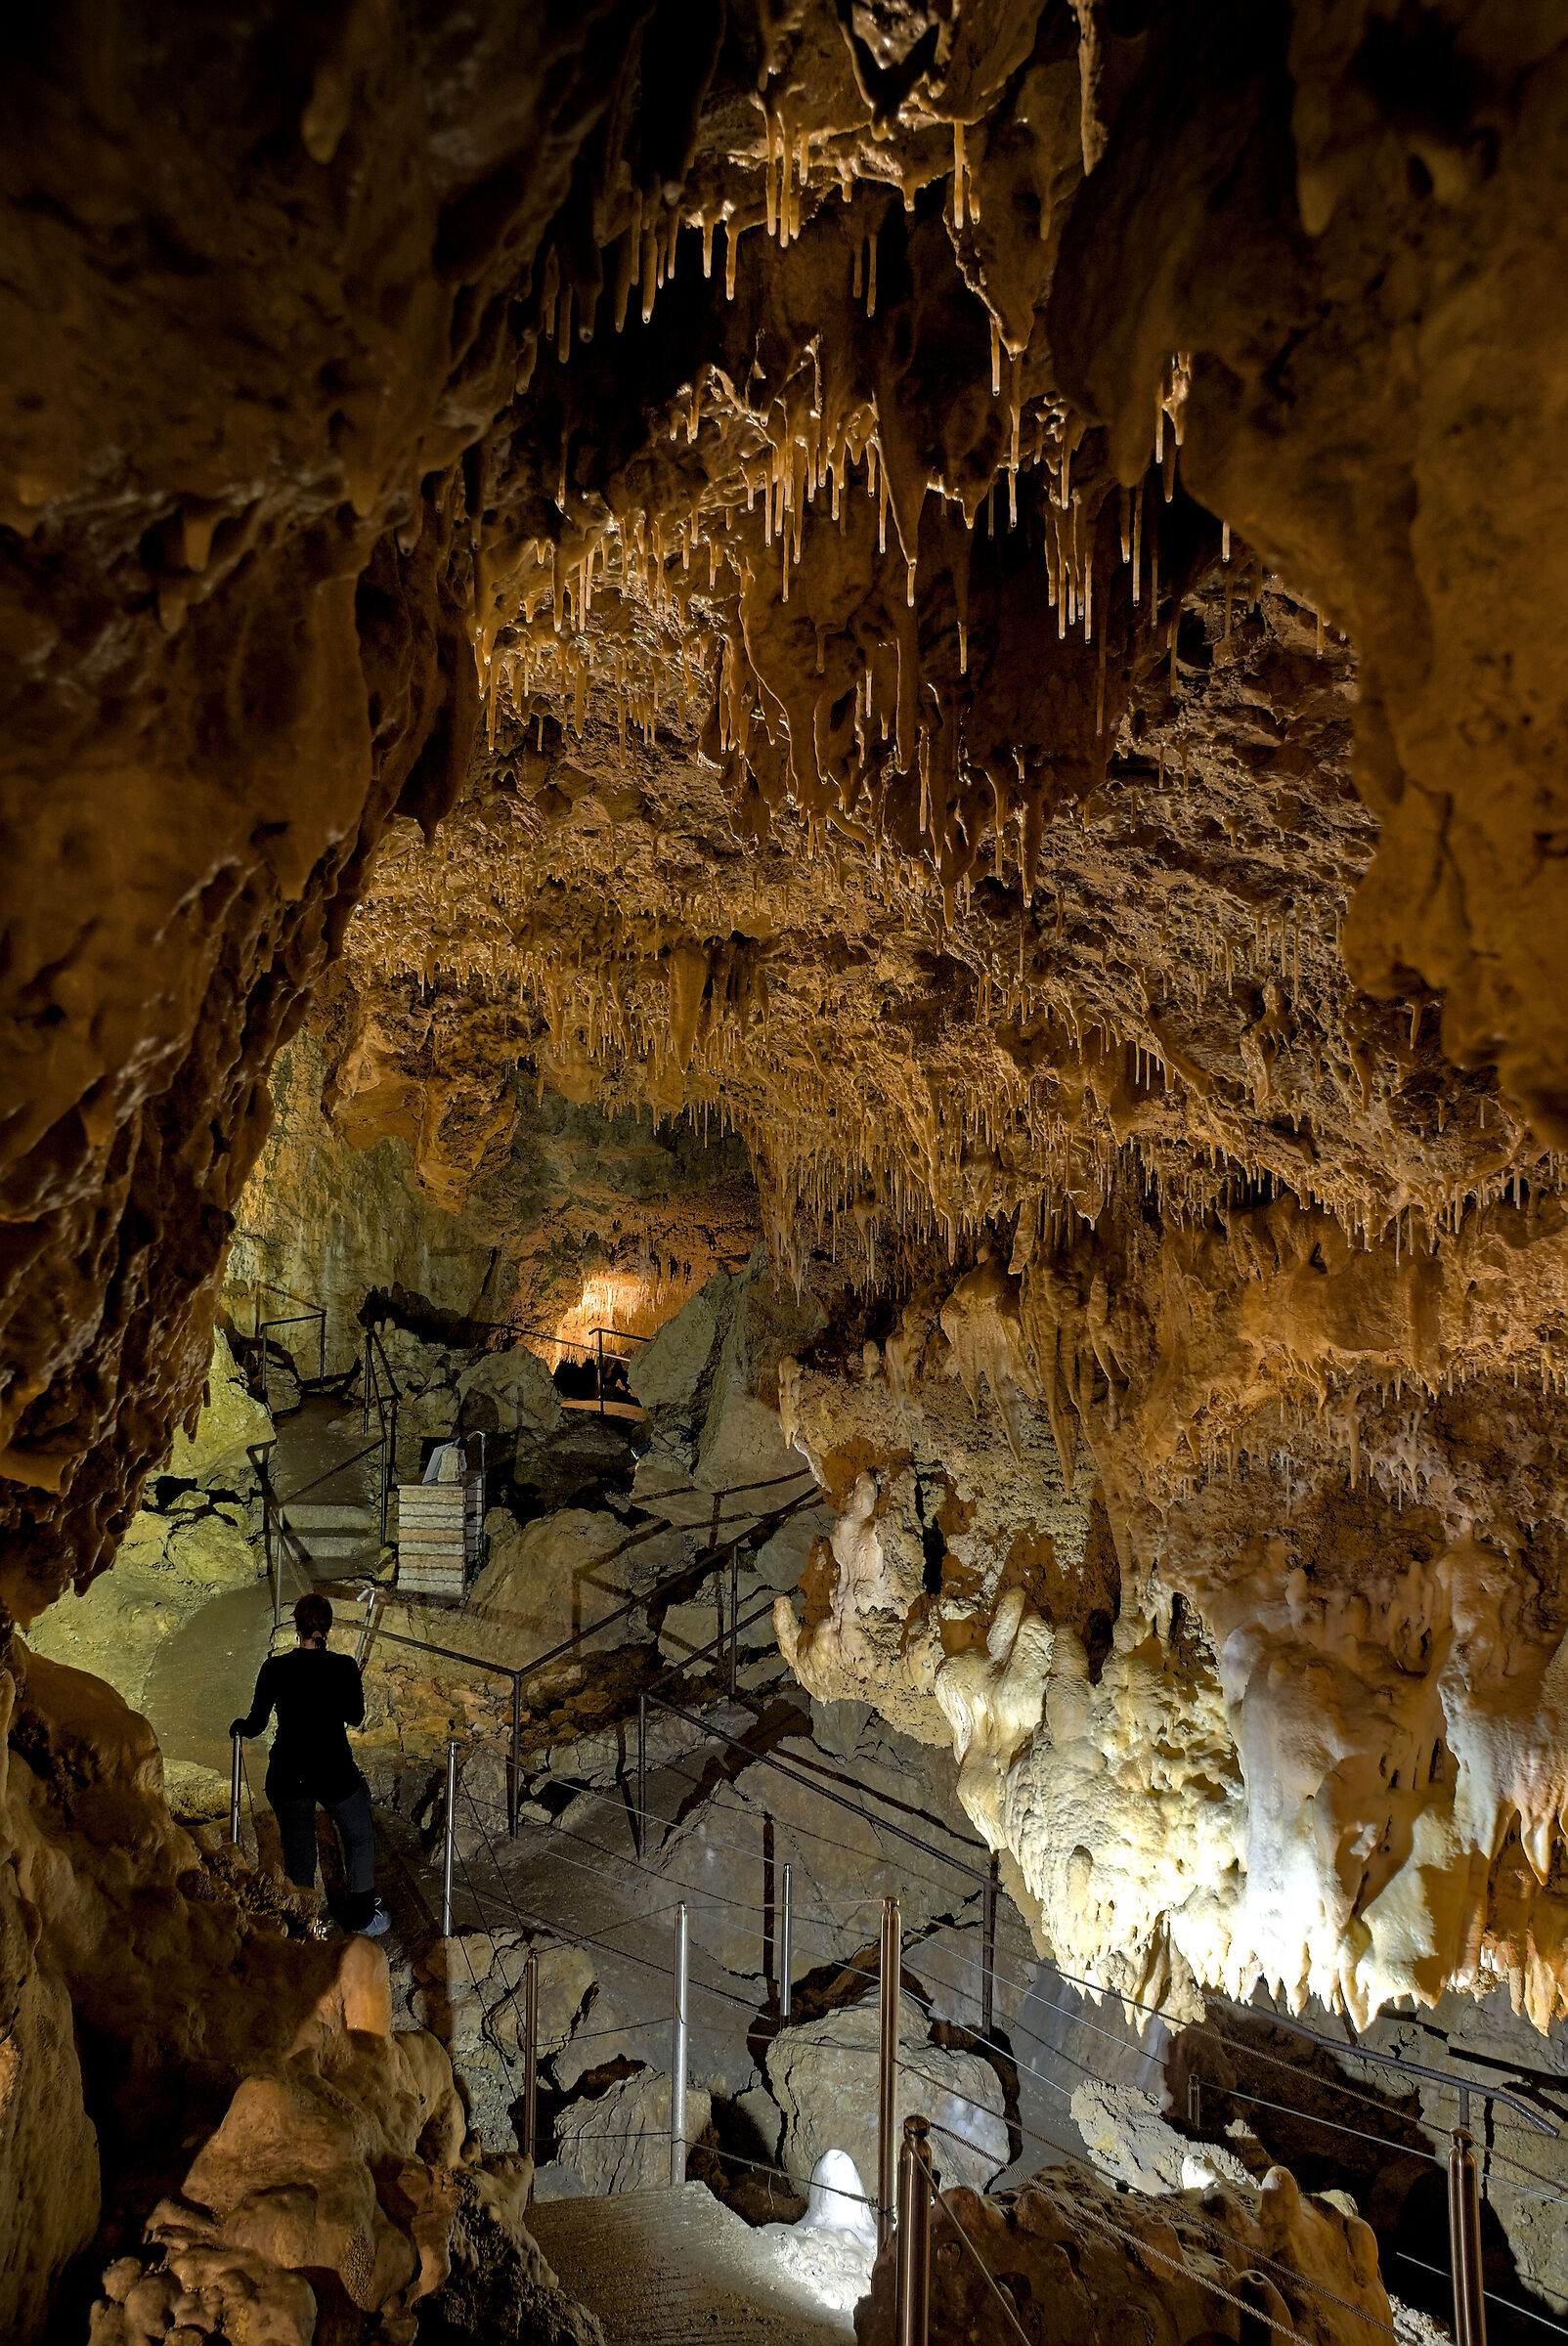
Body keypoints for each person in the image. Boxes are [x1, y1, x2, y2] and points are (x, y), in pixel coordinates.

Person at [231, 1591, 389, 1936]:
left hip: (290, 1772)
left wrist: (239, 1727)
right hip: (333, 1769)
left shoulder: (275, 1668)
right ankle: (362, 1916)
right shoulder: (343, 1666)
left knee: (299, 1848)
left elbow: (256, 1724)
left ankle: (301, 1923)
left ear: (297, 1627)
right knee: (359, 1835)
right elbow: (356, 1716)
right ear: (328, 1628)